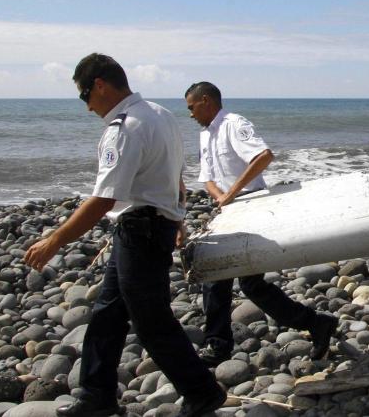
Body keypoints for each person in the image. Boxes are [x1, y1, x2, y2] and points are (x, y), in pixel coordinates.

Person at [24, 54, 225, 417]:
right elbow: (172, 175)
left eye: (85, 95)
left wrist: (55, 240)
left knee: (151, 321)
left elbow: (103, 199)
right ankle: (96, 396)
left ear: (100, 84)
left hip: (140, 231)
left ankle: (203, 390)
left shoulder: (125, 127)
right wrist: (176, 218)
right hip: (149, 227)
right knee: (107, 314)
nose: (87, 107)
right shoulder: (160, 115)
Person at [184, 82, 338, 365]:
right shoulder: (205, 135)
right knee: (232, 280)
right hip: (228, 209)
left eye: (192, 107)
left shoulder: (233, 124)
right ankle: (315, 324)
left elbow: (263, 156)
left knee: (234, 279)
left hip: (251, 204)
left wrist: (231, 194)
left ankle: (218, 346)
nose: (190, 114)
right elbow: (207, 176)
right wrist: (221, 198)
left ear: (206, 100)